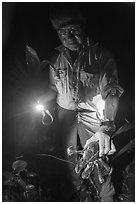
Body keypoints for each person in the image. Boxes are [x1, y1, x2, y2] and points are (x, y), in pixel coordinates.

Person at [40, 4, 124, 201]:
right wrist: (38, 100)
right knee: (70, 160)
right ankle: (80, 194)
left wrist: (107, 125)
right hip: (65, 117)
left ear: (83, 27)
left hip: (93, 117)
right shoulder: (56, 59)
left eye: (73, 30)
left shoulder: (101, 56)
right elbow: (53, 89)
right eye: (62, 32)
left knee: (98, 162)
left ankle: (106, 197)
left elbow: (112, 92)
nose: (68, 37)